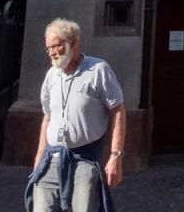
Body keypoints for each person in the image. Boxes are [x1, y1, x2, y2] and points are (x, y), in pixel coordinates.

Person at [26, 18, 125, 212]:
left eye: (56, 46)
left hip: (85, 158)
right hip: (52, 156)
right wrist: (39, 158)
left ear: (73, 43)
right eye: (48, 48)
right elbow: (47, 117)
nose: (52, 52)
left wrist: (116, 156)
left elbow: (118, 111)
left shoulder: (98, 70)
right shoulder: (51, 75)